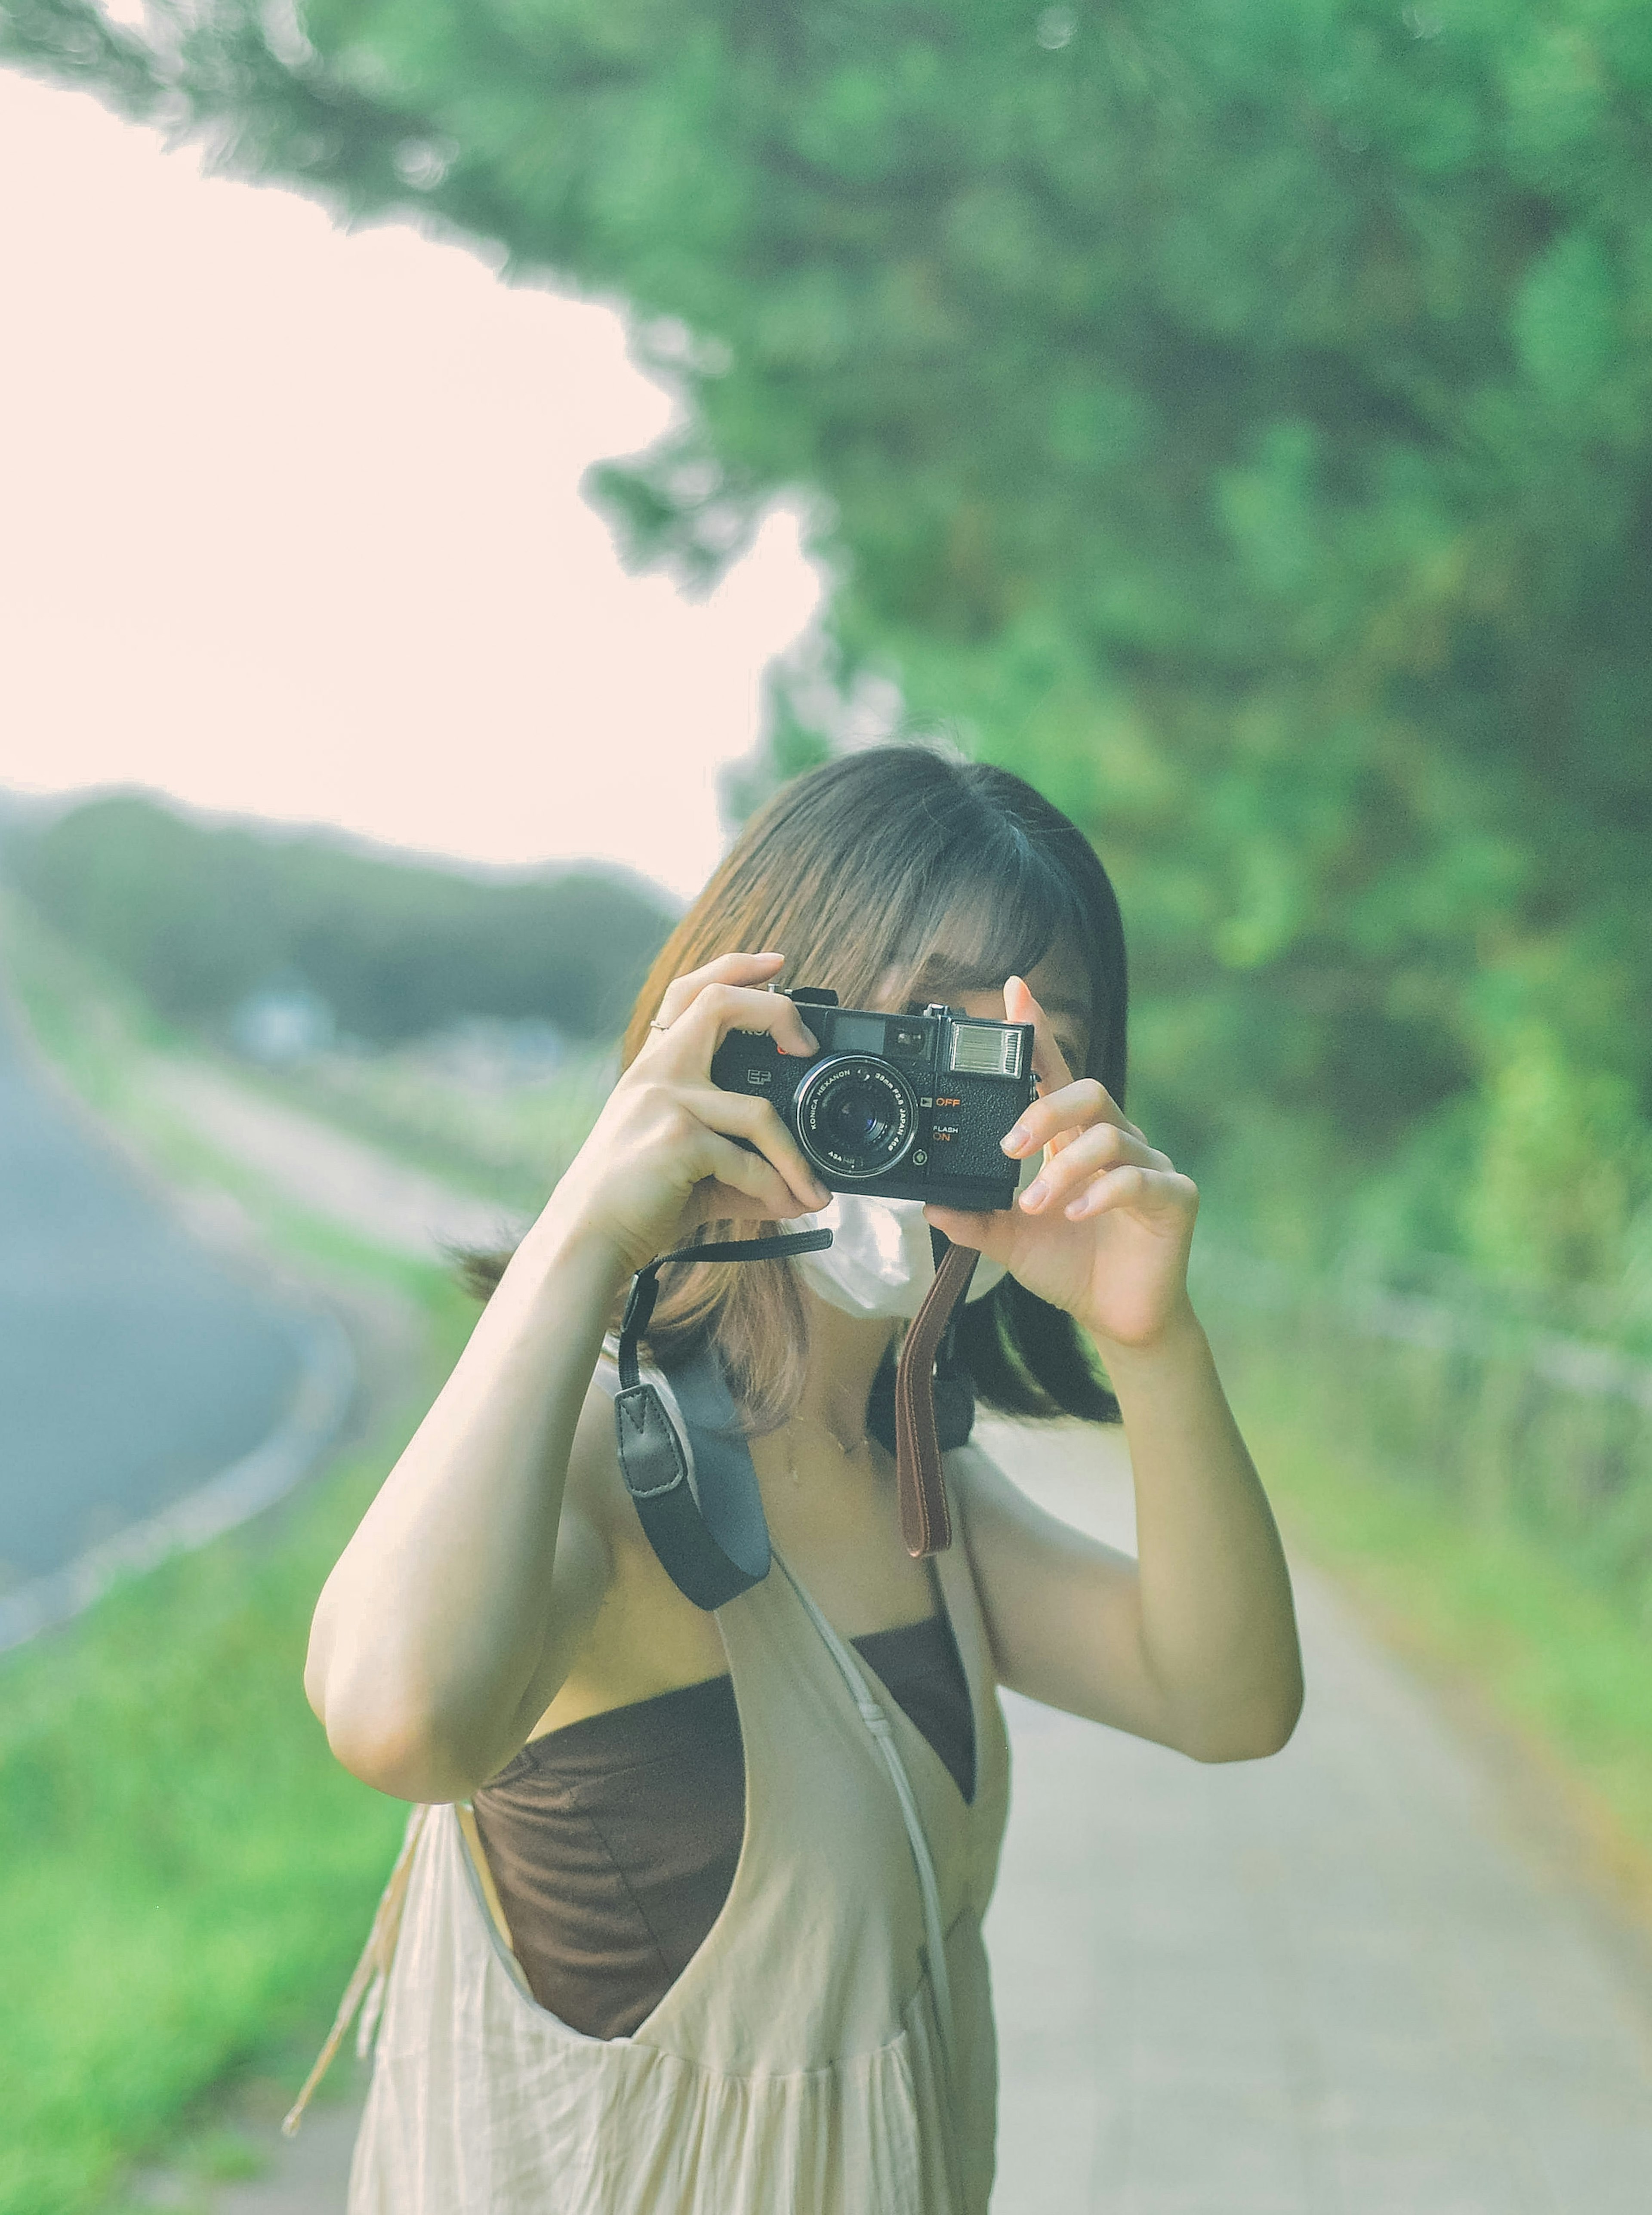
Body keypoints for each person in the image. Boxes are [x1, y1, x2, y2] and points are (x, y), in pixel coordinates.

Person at [298, 744, 1304, 2214]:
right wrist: (590, 1227)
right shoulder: (599, 1463)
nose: (918, 1110)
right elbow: (397, 1720)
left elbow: (1229, 1701)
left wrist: (1153, 1342)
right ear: (748, 1033)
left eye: (1009, 1047)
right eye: (898, 1030)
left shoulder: (917, 1489)